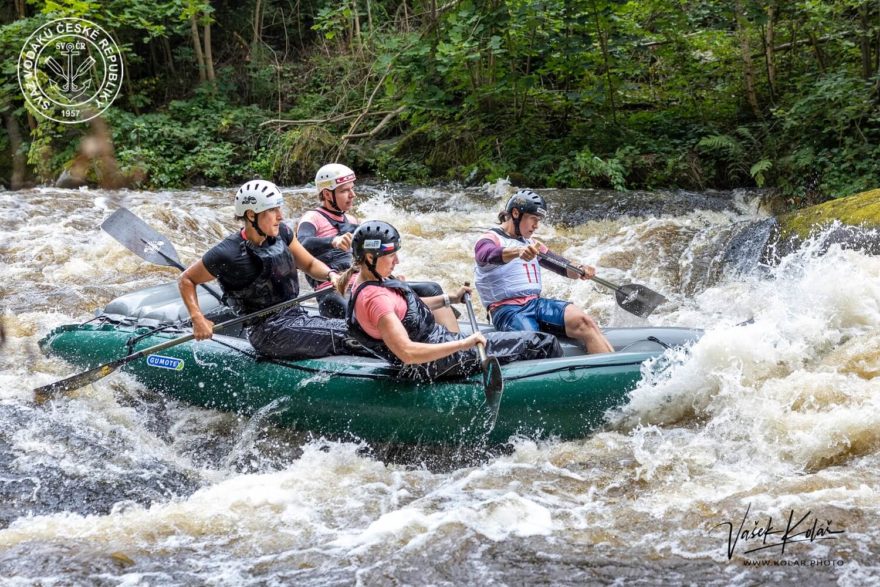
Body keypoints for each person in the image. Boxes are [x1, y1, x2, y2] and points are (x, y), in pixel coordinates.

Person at [336, 220, 562, 381]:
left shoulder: (364, 278)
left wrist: (449, 298)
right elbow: (408, 352)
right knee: (542, 342)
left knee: (518, 342)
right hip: (433, 362)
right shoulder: (376, 300)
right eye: (391, 254)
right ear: (369, 257)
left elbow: (407, 310)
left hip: (438, 346)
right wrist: (463, 344)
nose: (397, 260)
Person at [179, 179, 357, 359]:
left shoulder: (283, 233)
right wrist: (197, 318)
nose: (280, 216)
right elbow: (187, 279)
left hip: (295, 316)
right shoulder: (228, 253)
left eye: (279, 208)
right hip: (267, 332)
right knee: (353, 335)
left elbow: (309, 264)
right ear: (251, 215)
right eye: (272, 210)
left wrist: (331, 274)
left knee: (360, 327)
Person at [297, 163, 450, 319]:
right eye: (345, 190)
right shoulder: (313, 217)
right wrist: (333, 241)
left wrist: (389, 276)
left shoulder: (352, 220)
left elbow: (369, 257)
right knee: (357, 308)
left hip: (366, 283)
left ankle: (450, 339)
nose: (352, 194)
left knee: (432, 288)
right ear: (328, 195)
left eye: (352, 188)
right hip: (335, 289)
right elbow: (302, 243)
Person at [473, 189, 614, 355]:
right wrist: (517, 251)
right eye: (533, 218)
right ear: (516, 213)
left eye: (538, 220)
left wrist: (580, 270)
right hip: (506, 310)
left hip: (535, 304)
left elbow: (561, 266)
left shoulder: (532, 243)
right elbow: (486, 254)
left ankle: (614, 375)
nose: (536, 225)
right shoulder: (490, 238)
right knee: (536, 344)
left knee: (585, 322)